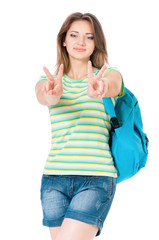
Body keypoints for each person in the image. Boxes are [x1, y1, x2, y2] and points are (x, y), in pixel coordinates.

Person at [36, 12, 124, 240]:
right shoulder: (50, 82)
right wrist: (51, 94)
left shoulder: (109, 75)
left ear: (96, 44)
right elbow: (45, 98)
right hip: (54, 180)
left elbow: (113, 85)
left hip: (96, 178)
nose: (80, 42)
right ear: (63, 40)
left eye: (89, 37)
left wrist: (102, 86)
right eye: (74, 35)